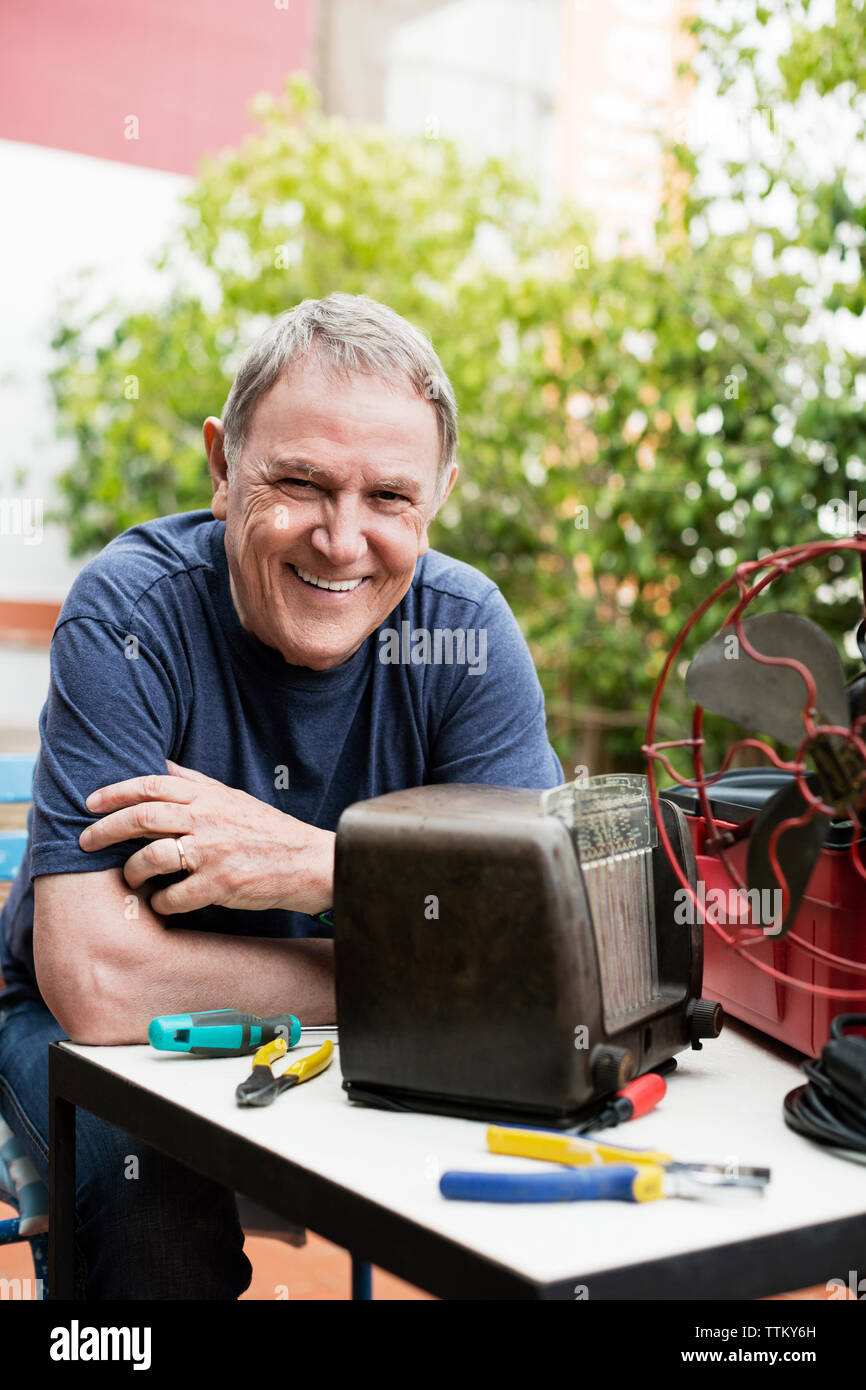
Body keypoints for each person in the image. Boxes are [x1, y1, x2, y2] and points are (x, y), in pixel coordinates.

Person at [0, 293, 563, 1299]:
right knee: (148, 1203)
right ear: (222, 469)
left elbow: (547, 955)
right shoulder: (130, 614)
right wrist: (422, 971)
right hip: (68, 1028)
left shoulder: (465, 631)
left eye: (389, 498)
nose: (342, 540)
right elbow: (98, 981)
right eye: (300, 482)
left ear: (438, 493)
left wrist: (315, 861)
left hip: (315, 1032)